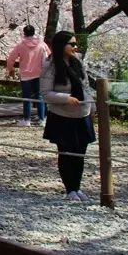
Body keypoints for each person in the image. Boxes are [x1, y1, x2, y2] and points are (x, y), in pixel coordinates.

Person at [42, 31, 96, 202]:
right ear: (61, 46)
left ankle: (77, 187)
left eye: (75, 44)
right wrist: (66, 98)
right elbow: (45, 93)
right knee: (66, 152)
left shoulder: (77, 62)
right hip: (62, 114)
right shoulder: (50, 65)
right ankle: (69, 189)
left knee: (80, 152)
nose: (75, 47)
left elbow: (86, 86)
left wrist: (92, 105)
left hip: (82, 113)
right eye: (71, 44)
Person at [6, 25, 51, 127]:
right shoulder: (41, 45)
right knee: (39, 96)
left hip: (25, 75)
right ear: (34, 32)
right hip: (39, 74)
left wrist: (11, 69)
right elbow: (49, 56)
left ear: (24, 33)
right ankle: (42, 119)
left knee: (26, 98)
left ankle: (26, 120)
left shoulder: (20, 45)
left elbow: (10, 59)